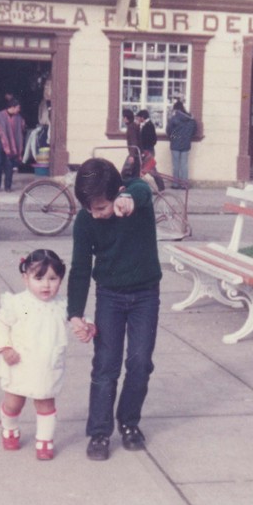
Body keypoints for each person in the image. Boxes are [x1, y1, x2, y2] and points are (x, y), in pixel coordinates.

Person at [67, 157, 162, 461]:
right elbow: (81, 269)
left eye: (100, 207)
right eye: (88, 208)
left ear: (117, 192)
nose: (94, 214)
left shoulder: (135, 198)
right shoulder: (86, 222)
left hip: (145, 295)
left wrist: (128, 199)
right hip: (109, 296)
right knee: (106, 365)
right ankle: (99, 431)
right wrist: (75, 313)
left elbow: (142, 190)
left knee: (140, 362)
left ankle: (129, 422)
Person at [0, 249, 73, 461]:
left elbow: (76, 319)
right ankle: (9, 427)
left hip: (47, 365)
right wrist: (5, 348)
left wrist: (87, 325)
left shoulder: (62, 306)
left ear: (61, 279)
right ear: (25, 279)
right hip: (21, 362)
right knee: (14, 402)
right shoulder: (25, 306)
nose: (46, 285)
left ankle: (44, 440)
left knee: (46, 403)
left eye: (52, 279)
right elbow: (2, 324)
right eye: (39, 278)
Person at [0, 97, 26, 192]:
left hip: (12, 146)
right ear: (12, 107)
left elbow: (20, 132)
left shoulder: (19, 118)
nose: (19, 110)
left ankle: (8, 187)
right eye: (18, 108)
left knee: (9, 165)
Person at [166, 100, 197, 189]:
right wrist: (187, 138)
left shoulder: (174, 118)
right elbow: (194, 131)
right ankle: (184, 184)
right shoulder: (191, 119)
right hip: (186, 144)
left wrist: (174, 138)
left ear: (176, 109)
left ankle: (175, 184)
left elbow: (168, 131)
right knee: (184, 165)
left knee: (176, 165)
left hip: (175, 145)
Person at [135, 109, 165, 191]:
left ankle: (161, 188)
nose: (137, 120)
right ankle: (161, 187)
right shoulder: (145, 125)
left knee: (151, 170)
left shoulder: (148, 126)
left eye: (138, 118)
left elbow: (153, 139)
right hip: (147, 150)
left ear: (142, 117)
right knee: (147, 169)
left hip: (148, 151)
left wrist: (145, 149)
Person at [121, 109, 140, 181]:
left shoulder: (131, 127)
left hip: (134, 154)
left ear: (126, 118)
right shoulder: (133, 125)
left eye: (123, 117)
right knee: (134, 174)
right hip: (136, 153)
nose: (123, 119)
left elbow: (134, 141)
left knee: (124, 173)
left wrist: (132, 155)